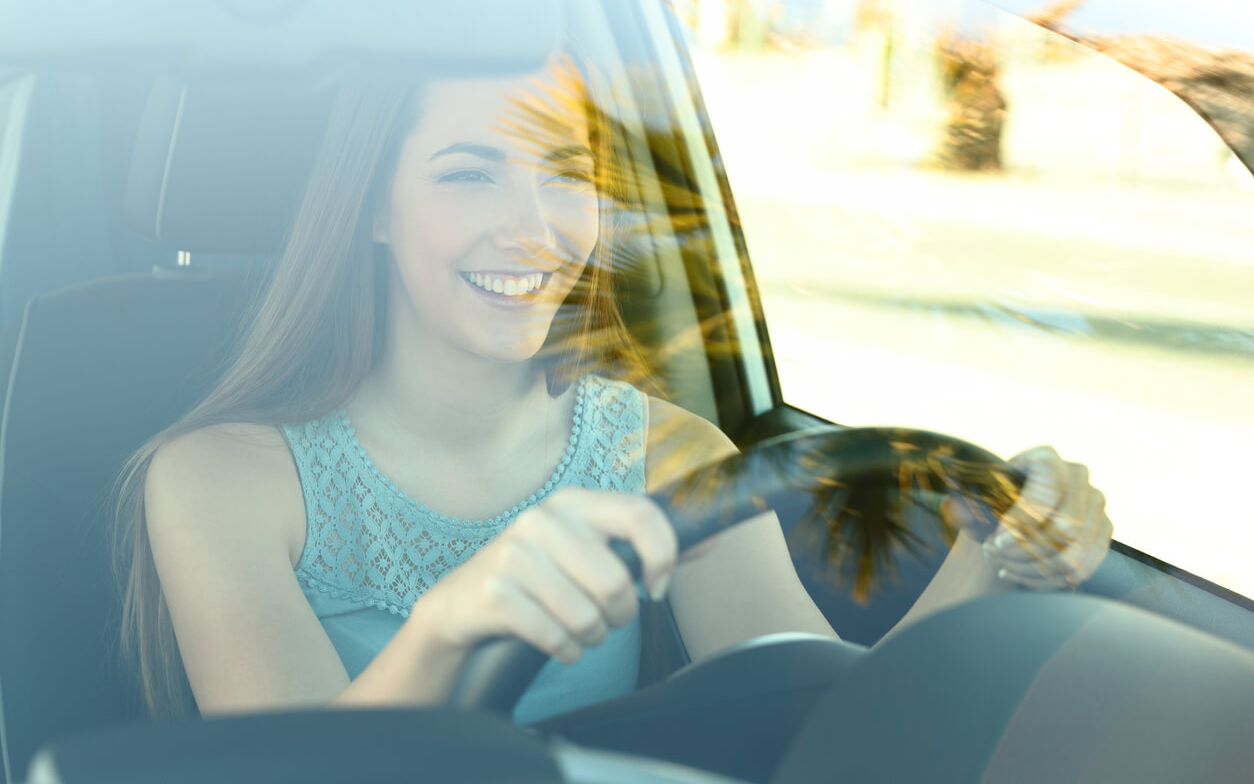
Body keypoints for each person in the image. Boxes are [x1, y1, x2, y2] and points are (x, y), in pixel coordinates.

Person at [114, 53, 1113, 725]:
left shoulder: (665, 452)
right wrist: (449, 626)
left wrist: (998, 549)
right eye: (469, 175)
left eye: (565, 174)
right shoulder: (216, 477)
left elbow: (829, 726)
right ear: (376, 208)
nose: (533, 227)